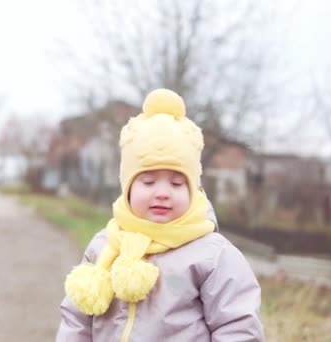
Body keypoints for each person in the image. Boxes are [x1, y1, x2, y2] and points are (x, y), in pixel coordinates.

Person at [56, 89, 264, 341]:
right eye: (148, 181)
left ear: (193, 189)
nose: (163, 193)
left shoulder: (212, 256)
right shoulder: (105, 246)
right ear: (128, 188)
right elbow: (76, 322)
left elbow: (238, 327)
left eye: (176, 184)